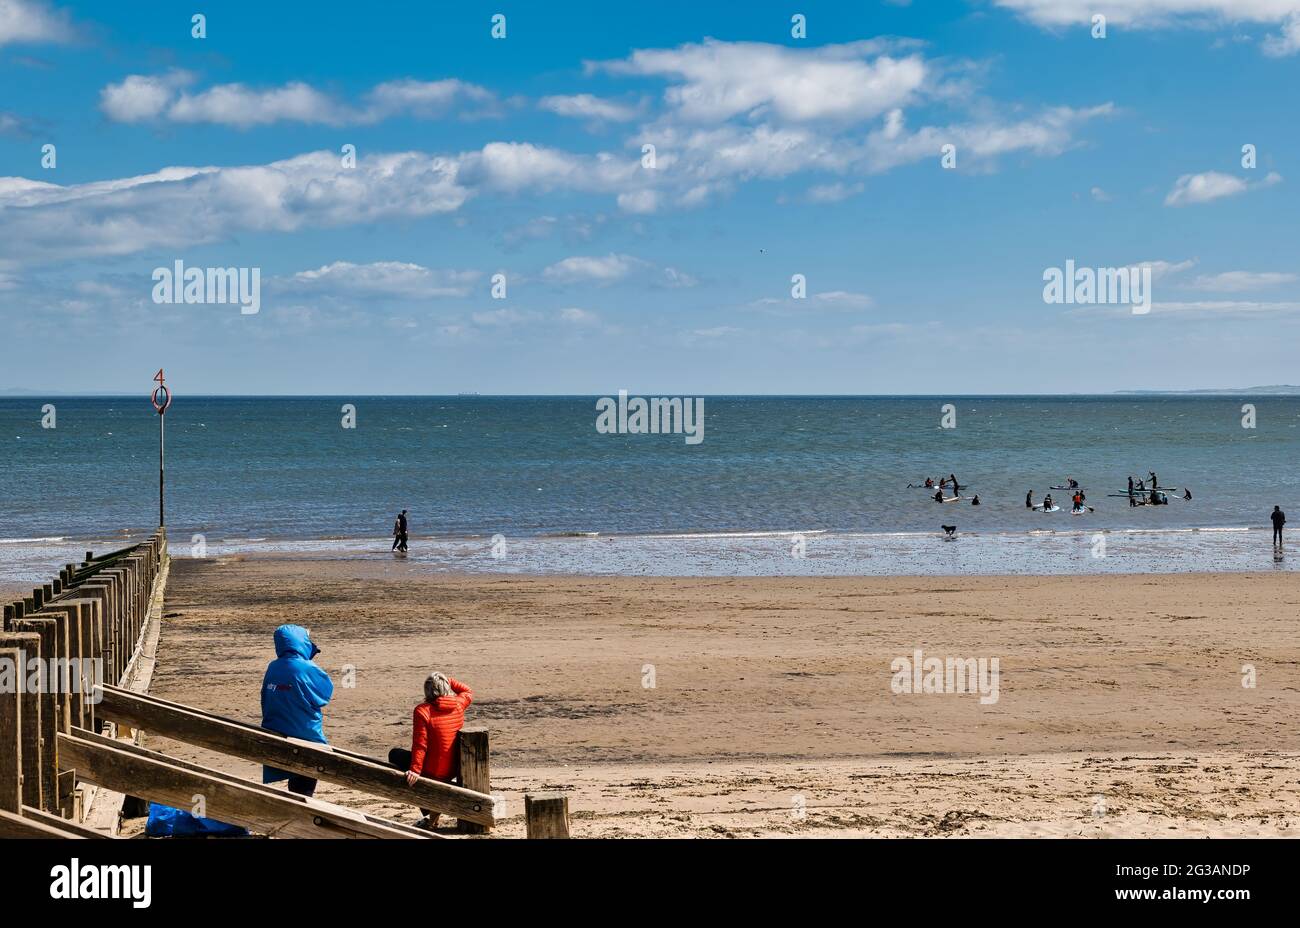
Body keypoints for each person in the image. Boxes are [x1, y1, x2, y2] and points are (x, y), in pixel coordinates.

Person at [389, 672, 474, 828]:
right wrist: (445, 679)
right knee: (415, 762)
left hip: (432, 769)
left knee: (395, 755)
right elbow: (467, 691)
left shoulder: (423, 710)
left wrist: (415, 770)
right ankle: (431, 818)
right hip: (452, 768)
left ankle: (429, 816)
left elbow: (421, 744)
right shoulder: (459, 704)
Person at [261, 625, 334, 797]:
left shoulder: (273, 667)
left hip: (275, 731)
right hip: (306, 735)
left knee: (296, 777)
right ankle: (302, 803)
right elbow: (324, 694)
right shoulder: (307, 668)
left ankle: (297, 799)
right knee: (306, 777)